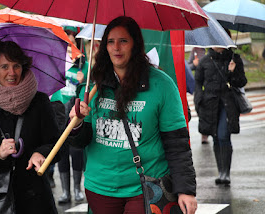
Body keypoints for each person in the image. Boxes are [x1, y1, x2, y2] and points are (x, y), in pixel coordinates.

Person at [68, 16, 197, 214]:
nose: (116, 47)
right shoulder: (94, 84)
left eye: (123, 41)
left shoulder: (161, 85)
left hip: (145, 186)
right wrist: (77, 123)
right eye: (110, 41)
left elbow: (177, 144)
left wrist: (186, 190)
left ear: (135, 45)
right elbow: (80, 142)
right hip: (100, 188)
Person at [0, 41, 60, 214]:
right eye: (4, 67)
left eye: (16, 66)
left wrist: (42, 152)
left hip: (35, 200)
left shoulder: (40, 102)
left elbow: (59, 145)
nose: (12, 73)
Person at [193, 44, 247, 185]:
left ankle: (226, 173)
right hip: (209, 105)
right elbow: (197, 82)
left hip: (228, 105)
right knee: (216, 137)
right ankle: (221, 172)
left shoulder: (234, 59)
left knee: (223, 135)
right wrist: (199, 100)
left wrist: (232, 71)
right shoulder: (205, 61)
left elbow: (241, 82)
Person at [50, 28, 87, 203]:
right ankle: (65, 192)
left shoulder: (84, 67)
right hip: (58, 114)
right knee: (62, 154)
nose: (70, 47)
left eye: (73, 43)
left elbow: (88, 93)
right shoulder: (55, 64)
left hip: (75, 115)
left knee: (77, 153)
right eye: (66, 43)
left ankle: (77, 190)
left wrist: (83, 81)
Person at [188, 47, 209, 144]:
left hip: (210, 84)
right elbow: (188, 67)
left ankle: (207, 134)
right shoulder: (195, 50)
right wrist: (194, 64)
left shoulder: (210, 50)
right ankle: (204, 133)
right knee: (200, 108)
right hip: (199, 85)